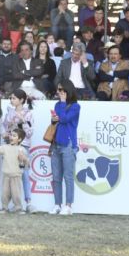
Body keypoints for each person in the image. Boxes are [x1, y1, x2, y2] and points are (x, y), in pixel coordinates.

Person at [0, 89, 36, 213]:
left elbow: (30, 133)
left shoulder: (28, 113)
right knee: (9, 175)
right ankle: (9, 204)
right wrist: (8, 128)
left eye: (14, 98)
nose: (11, 100)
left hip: (23, 146)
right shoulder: (9, 112)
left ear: (21, 100)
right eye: (11, 98)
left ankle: (28, 203)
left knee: (24, 174)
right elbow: (5, 128)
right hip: (10, 147)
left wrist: (23, 122)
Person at [49, 80, 80, 216]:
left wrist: (62, 104)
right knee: (56, 177)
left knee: (68, 177)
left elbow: (65, 119)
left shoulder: (75, 106)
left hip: (68, 145)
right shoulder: (57, 104)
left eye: (61, 90)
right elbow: (58, 119)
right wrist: (54, 119)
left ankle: (68, 206)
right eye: (58, 90)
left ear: (68, 90)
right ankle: (57, 204)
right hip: (56, 144)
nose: (59, 92)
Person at [0, 128, 29, 214]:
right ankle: (4, 208)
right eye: (11, 135)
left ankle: (18, 208)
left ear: (20, 139)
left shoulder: (22, 150)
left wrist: (24, 159)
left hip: (16, 176)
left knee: (16, 194)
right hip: (6, 176)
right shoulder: (5, 147)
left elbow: (27, 165)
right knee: (4, 194)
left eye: (14, 136)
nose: (11, 137)